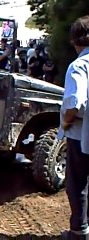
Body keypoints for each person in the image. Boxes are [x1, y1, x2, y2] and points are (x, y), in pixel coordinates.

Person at [57, 15, 89, 240]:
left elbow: (74, 103)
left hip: (82, 134)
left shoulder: (79, 66)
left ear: (74, 40)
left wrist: (66, 122)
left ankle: (79, 231)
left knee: (77, 184)